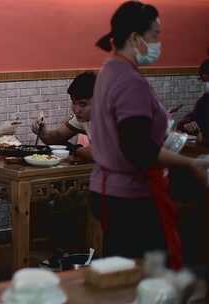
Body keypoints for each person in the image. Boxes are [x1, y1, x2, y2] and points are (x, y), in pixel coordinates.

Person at [91, 1, 209, 269]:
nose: (159, 41)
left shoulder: (109, 70)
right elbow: (139, 148)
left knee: (121, 269)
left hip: (107, 189)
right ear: (135, 38)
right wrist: (192, 163)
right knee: (144, 274)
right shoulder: (129, 80)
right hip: (129, 196)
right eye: (155, 34)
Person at [30, 71, 97, 160]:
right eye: (74, 103)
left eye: (83, 104)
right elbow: (55, 138)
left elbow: (98, 154)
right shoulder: (83, 118)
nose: (76, 110)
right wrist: (43, 133)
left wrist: (72, 148)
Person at [177, 59, 209, 143]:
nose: (206, 84)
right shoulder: (204, 100)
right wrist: (186, 124)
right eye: (204, 81)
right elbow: (193, 117)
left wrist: (202, 137)